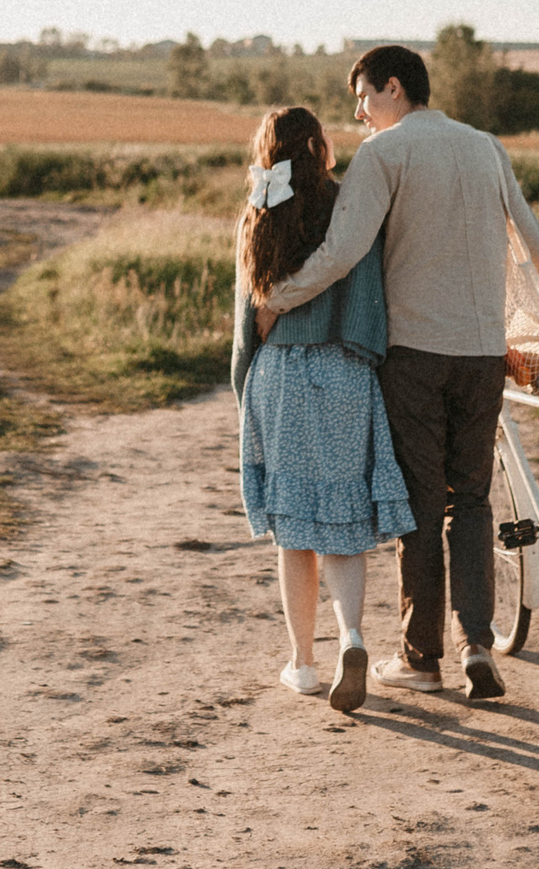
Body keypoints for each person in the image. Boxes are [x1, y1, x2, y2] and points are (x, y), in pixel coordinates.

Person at [251, 45, 539, 703]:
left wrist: (279, 297)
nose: (359, 114)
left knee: (423, 502)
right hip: (482, 354)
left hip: (415, 356)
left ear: (393, 87)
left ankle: (422, 658)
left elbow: (342, 251)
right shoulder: (485, 146)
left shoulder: (383, 154)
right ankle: (477, 642)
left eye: (363, 98)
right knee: (472, 498)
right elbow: (531, 233)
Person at [231, 105, 416, 713]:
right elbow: (370, 291)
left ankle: (303, 665)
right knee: (342, 521)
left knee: (293, 532)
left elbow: (245, 323)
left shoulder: (258, 209)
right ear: (318, 147)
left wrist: (245, 390)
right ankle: (354, 638)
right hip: (343, 368)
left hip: (280, 373)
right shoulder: (349, 204)